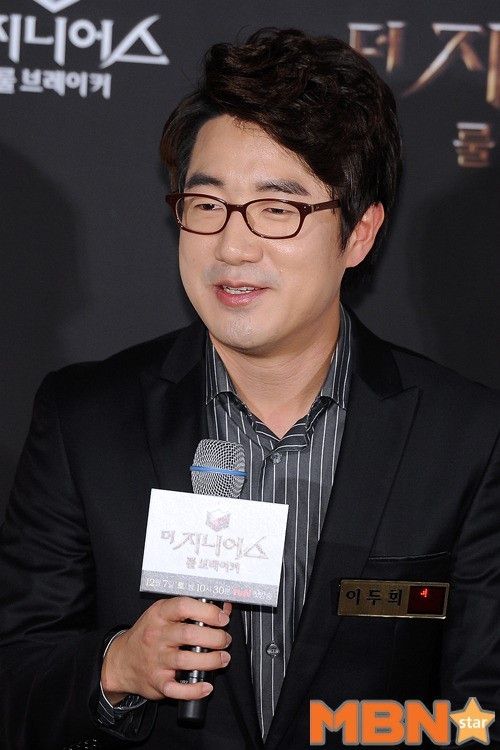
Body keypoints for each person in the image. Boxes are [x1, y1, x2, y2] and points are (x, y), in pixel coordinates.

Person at [0, 27, 499, 750]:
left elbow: (482, 708)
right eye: (206, 205)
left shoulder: (466, 437)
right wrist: (118, 666)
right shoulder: (87, 420)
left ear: (359, 234)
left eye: (276, 209)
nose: (232, 247)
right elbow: (17, 672)